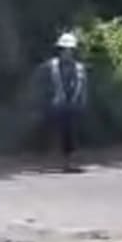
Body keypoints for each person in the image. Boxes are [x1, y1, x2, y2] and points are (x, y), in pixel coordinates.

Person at [40, 32, 88, 171]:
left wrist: (82, 102)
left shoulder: (79, 68)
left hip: (72, 105)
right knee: (55, 134)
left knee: (71, 134)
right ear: (60, 50)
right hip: (55, 105)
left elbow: (83, 86)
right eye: (64, 50)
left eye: (70, 50)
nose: (67, 53)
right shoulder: (50, 66)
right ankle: (55, 161)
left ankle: (69, 162)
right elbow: (43, 85)